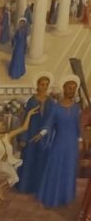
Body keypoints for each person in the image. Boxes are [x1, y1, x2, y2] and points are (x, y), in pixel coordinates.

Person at [30, 79, 84, 208]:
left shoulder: (77, 107)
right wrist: (41, 134)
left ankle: (66, 197)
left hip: (72, 144)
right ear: (64, 89)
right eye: (69, 88)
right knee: (55, 167)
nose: (72, 90)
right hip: (59, 142)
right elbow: (49, 124)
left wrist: (80, 140)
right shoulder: (55, 107)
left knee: (69, 169)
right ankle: (52, 197)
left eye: (74, 88)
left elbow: (79, 125)